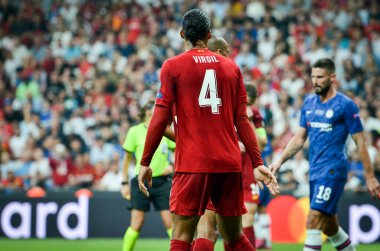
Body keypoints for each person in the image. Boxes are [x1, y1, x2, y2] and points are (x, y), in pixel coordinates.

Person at [138, 9, 279, 251]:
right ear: (209, 34)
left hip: (193, 163)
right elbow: (242, 120)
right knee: (235, 238)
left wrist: (145, 162)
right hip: (228, 162)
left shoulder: (172, 67)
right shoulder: (232, 68)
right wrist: (257, 162)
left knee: (182, 236)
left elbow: (159, 118)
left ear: (182, 34)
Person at [269, 58, 380, 251]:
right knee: (330, 227)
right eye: (313, 77)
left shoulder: (345, 105)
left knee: (312, 220)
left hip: (333, 170)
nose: (315, 81)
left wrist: (369, 176)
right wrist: (280, 161)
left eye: (320, 77)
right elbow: (298, 139)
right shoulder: (309, 103)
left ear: (332, 77)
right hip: (315, 171)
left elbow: (360, 141)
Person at [191, 36, 267, 251]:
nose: (228, 56)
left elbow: (261, 139)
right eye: (225, 52)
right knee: (232, 232)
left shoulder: (193, 81)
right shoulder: (232, 78)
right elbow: (244, 125)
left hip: (203, 162)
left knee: (205, 230)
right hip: (229, 163)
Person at [120, 100, 175, 251]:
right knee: (136, 224)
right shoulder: (134, 131)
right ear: (148, 111)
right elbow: (126, 159)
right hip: (141, 181)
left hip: (162, 182)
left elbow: (177, 150)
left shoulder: (165, 130)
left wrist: (172, 165)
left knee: (170, 222)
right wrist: (124, 183)